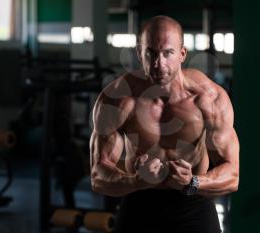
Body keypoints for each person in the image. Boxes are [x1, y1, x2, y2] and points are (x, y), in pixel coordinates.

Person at [90, 15, 239, 233]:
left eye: (168, 53)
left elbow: (232, 175)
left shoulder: (209, 99)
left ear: (182, 54)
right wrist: (136, 182)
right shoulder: (118, 100)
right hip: (139, 202)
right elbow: (97, 176)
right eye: (151, 53)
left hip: (193, 203)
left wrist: (193, 182)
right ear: (140, 54)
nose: (159, 63)